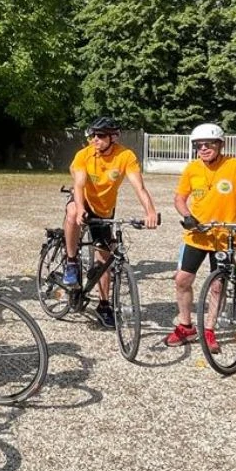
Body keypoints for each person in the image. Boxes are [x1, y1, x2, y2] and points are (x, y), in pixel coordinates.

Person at [165, 123, 236, 351]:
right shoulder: (192, 169)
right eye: (198, 145)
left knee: (218, 286)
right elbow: (179, 198)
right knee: (182, 280)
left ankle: (209, 329)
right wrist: (187, 216)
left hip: (226, 237)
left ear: (220, 144)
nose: (203, 148)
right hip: (198, 235)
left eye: (208, 144)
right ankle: (185, 326)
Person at [62, 116, 159, 328]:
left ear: (113, 137)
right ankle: (71, 261)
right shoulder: (84, 154)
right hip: (84, 200)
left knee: (104, 259)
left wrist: (150, 211)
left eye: (100, 135)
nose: (94, 139)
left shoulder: (125, 156)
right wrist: (80, 208)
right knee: (72, 212)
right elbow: (79, 185)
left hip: (105, 209)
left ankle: (104, 305)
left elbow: (139, 187)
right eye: (93, 135)